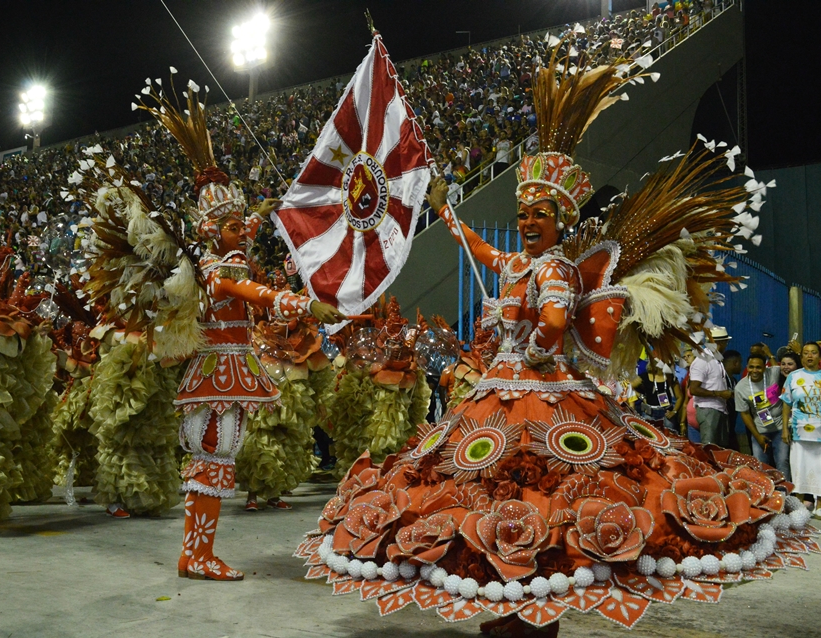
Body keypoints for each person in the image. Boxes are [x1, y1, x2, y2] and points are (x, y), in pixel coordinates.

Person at [297, 49, 803, 634]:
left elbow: (556, 325)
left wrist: (531, 348)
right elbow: (481, 251)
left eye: (539, 214)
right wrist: (445, 211)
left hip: (544, 390)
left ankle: (533, 605)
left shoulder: (555, 268)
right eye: (522, 214)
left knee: (544, 494)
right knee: (485, 490)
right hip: (500, 389)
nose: (528, 222)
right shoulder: (520, 263)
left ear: (561, 219)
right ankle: (507, 595)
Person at [140, 83, 346, 582]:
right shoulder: (217, 269)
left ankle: (196, 554)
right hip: (218, 372)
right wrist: (303, 303)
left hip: (225, 369)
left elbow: (241, 244)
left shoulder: (218, 255)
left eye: (240, 226)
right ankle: (197, 555)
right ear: (213, 231)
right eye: (232, 226)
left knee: (217, 457)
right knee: (214, 456)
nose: (242, 234)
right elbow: (252, 290)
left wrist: (256, 215)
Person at [736, 352, 790, 481]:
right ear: (747, 367)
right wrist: (757, 436)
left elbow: (788, 370)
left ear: (765, 367)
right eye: (751, 367)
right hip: (760, 430)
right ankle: (765, 490)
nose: (754, 370)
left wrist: (770, 355)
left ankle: (785, 490)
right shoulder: (740, 388)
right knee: (760, 464)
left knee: (782, 461)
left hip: (780, 428)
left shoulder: (774, 372)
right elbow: (745, 414)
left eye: (758, 367)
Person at [782, 341, 821, 511]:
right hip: (799, 432)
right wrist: (785, 429)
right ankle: (799, 506)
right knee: (799, 468)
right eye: (806, 353)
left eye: (813, 352)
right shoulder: (793, 376)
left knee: (819, 469)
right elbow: (786, 404)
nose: (809, 356)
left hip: (819, 433)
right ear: (801, 357)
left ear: (819, 356)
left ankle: (819, 506)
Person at [689, 326, 733, 446]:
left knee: (720, 448)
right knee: (709, 447)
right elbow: (693, 389)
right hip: (708, 409)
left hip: (719, 408)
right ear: (720, 343)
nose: (726, 345)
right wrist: (719, 393)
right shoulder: (702, 361)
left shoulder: (716, 360)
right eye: (726, 342)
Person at [637, 358, 683, 433]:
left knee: (668, 437)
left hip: (667, 413)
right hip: (649, 413)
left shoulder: (670, 377)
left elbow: (680, 397)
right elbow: (630, 386)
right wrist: (642, 397)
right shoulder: (645, 376)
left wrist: (674, 411)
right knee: (649, 437)